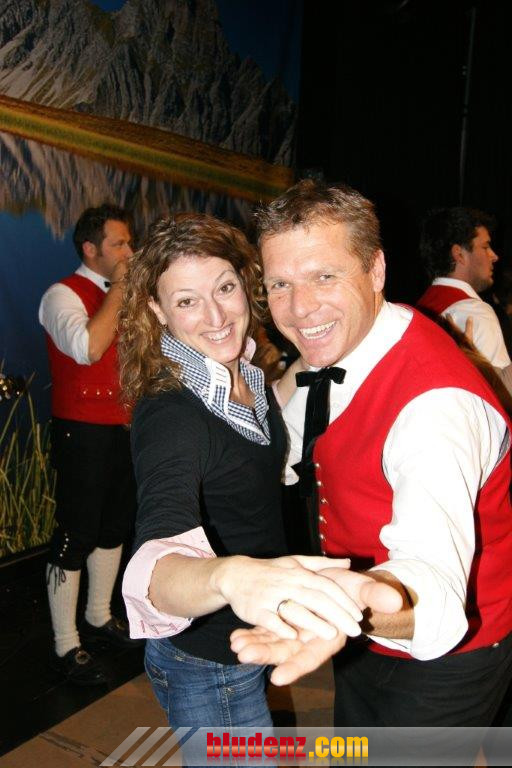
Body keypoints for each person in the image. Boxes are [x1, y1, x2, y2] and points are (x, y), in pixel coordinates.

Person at [230, 180, 512, 732]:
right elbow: (285, 443)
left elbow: (434, 595)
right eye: (280, 284)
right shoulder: (343, 345)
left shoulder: (435, 408)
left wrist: (340, 602)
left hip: (449, 662)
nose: (299, 308)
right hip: (361, 636)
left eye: (324, 276)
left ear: (376, 270)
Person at [119, 213, 399, 733]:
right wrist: (229, 577)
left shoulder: (241, 372)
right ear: (156, 310)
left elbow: (263, 413)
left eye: (225, 288)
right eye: (187, 301)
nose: (216, 315)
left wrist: (318, 351)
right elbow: (154, 561)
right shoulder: (172, 414)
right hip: (208, 663)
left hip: (251, 636)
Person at [39, 204, 140, 686]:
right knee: (76, 533)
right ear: (90, 249)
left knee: (114, 526)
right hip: (81, 430)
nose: (129, 253)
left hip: (125, 428)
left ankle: (99, 616)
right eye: (119, 244)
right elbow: (87, 348)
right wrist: (120, 290)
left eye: (129, 242)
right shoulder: (61, 294)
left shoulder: (128, 295)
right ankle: (65, 643)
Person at [417, 207, 511, 369]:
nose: (494, 256)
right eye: (485, 247)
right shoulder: (476, 313)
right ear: (459, 254)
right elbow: (499, 384)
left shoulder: (417, 312)